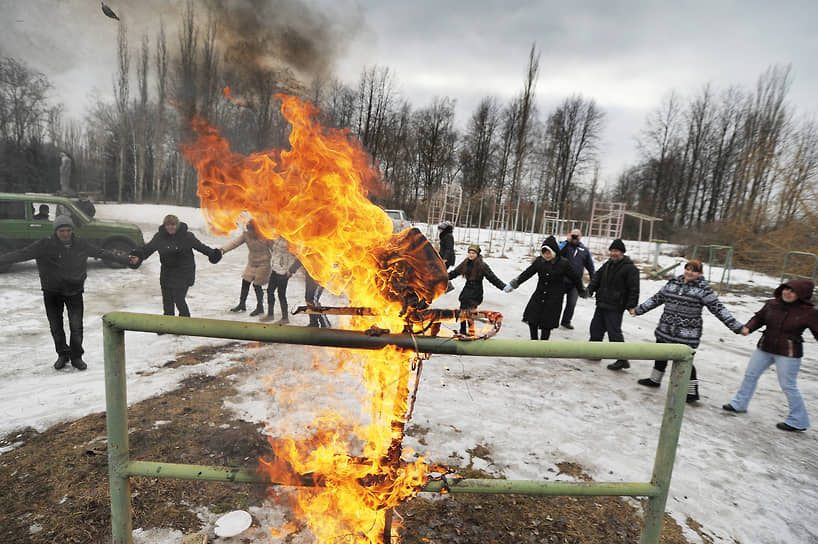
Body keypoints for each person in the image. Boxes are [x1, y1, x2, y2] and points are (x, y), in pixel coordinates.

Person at [0, 215, 133, 370]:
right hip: (52, 292)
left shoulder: (80, 244)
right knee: (56, 326)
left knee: (76, 326)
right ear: (56, 231)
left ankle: (76, 357)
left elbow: (102, 253)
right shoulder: (44, 245)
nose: (65, 234)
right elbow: (20, 254)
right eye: (62, 230)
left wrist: (126, 260)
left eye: (68, 230)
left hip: (74, 291)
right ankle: (62, 354)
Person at [630, 259, 743, 403]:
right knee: (660, 355)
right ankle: (655, 379)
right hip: (665, 329)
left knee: (685, 361)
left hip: (686, 334)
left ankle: (691, 392)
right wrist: (639, 310)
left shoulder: (703, 289)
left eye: (694, 270)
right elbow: (657, 299)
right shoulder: (673, 283)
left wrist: (736, 326)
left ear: (700, 273)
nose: (690, 272)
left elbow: (718, 309)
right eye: (687, 269)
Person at [723, 279, 818, 431]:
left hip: (789, 352)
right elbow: (759, 318)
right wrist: (748, 328)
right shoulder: (772, 304)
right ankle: (739, 404)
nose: (787, 293)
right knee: (750, 375)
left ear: (802, 294)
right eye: (786, 289)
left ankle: (798, 420)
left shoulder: (809, 312)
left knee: (788, 385)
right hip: (765, 347)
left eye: (792, 291)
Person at [128, 214, 221, 318]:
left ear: (177, 225)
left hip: (184, 272)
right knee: (167, 300)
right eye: (167, 225)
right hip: (167, 272)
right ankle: (168, 324)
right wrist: (138, 256)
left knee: (179, 299)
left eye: (173, 225)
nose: (170, 227)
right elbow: (147, 249)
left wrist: (213, 254)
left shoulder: (187, 236)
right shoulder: (160, 237)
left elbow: (201, 247)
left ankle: (184, 321)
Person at [506, 235, 585, 340]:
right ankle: (533, 341)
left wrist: (581, 290)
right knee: (532, 319)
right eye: (544, 253)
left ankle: (543, 344)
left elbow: (575, 278)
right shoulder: (539, 261)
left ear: (554, 251)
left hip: (554, 298)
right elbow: (527, 273)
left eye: (549, 253)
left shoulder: (563, 263)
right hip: (539, 295)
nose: (546, 255)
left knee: (547, 323)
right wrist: (514, 284)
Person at [586, 239, 640, 370]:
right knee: (595, 328)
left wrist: (631, 305)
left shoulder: (630, 268)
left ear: (622, 252)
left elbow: (634, 289)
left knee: (614, 333)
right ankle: (595, 352)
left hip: (616, 306)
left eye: (616, 251)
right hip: (602, 303)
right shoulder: (608, 264)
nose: (613, 253)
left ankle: (622, 359)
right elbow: (597, 278)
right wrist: (590, 289)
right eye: (612, 251)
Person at [448, 244, 509, 336]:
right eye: (469, 253)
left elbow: (492, 278)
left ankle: (471, 331)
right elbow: (455, 273)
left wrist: (503, 286)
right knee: (463, 311)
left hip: (476, 292)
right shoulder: (465, 263)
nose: (471, 255)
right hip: (467, 290)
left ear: (477, 254)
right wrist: (444, 277)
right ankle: (463, 330)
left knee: (470, 313)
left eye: (473, 253)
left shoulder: (482, 265)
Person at [220, 220, 273, 317]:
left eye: (252, 230)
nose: (250, 232)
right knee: (245, 281)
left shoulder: (265, 236)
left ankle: (260, 307)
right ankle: (242, 304)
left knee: (257, 285)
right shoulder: (246, 235)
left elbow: (275, 249)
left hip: (264, 263)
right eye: (248, 229)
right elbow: (234, 243)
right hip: (252, 262)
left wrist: (280, 264)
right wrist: (223, 250)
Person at [558, 228, 595, 329]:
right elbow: (556, 253)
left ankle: (566, 321)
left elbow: (591, 267)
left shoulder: (585, 250)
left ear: (580, 237)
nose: (575, 238)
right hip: (561, 280)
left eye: (577, 236)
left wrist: (594, 282)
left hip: (575, 283)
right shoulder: (565, 246)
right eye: (573, 235)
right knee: (556, 302)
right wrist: (567, 241)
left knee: (572, 303)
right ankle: (553, 319)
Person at [262, 236, 301, 323]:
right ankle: (270, 315)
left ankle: (285, 318)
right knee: (270, 291)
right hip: (275, 269)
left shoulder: (291, 240)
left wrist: (291, 270)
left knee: (281, 295)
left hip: (284, 272)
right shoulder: (277, 238)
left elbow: (300, 257)